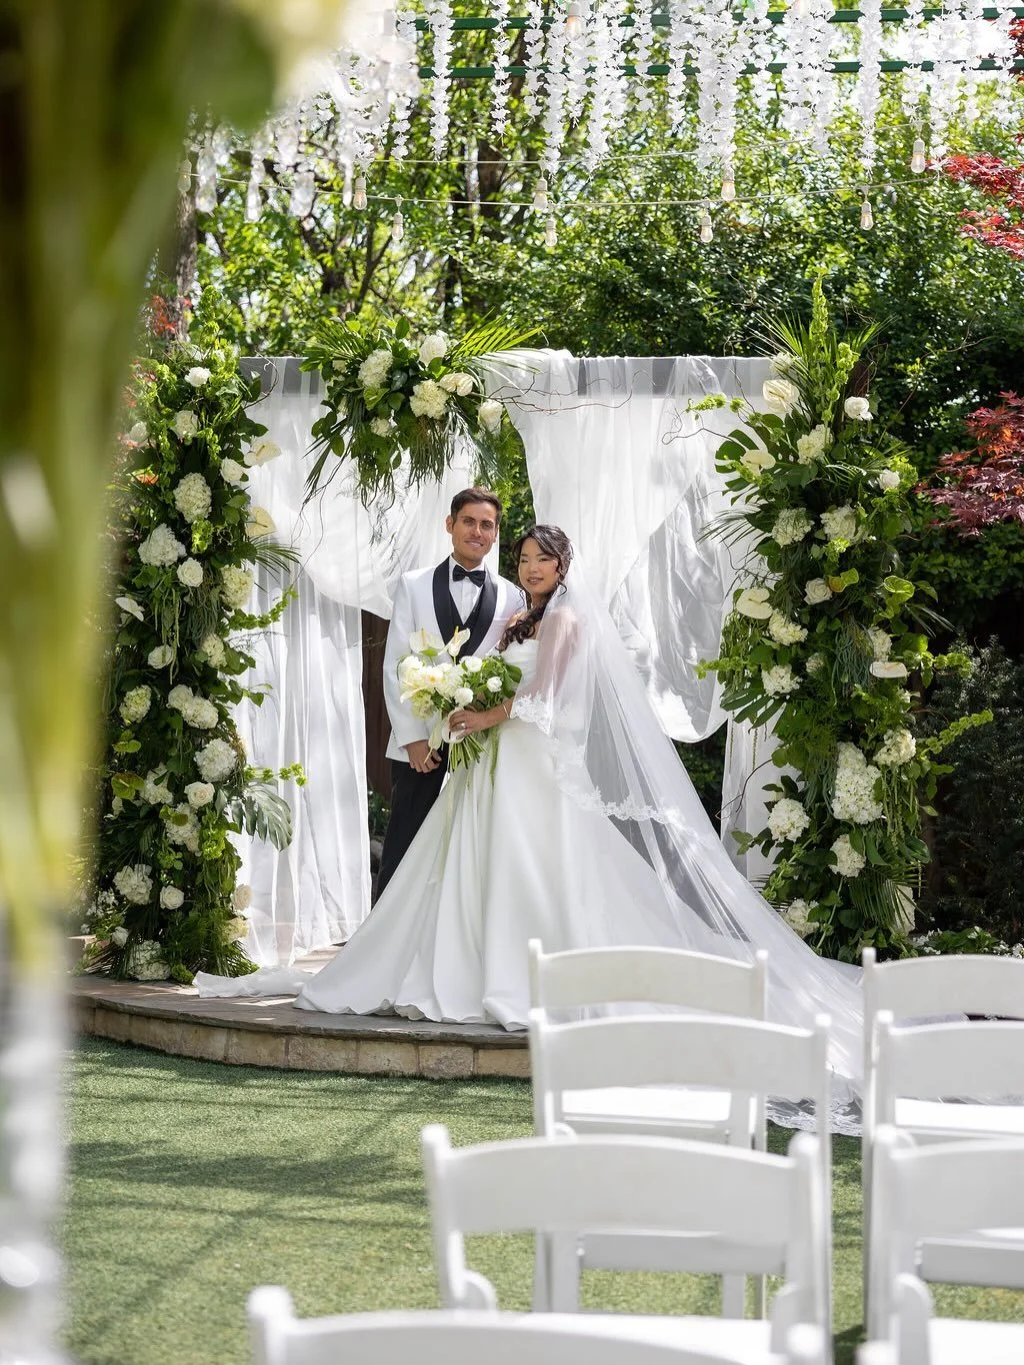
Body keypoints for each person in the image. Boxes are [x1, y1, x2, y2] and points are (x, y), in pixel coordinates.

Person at [198, 525, 864, 1125]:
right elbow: (494, 676)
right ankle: (454, 965)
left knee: (529, 866)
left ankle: (520, 973)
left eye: (541, 559)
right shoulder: (519, 616)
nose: (531, 567)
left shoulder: (566, 620)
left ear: (562, 566)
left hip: (531, 761)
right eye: (523, 559)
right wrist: (458, 696)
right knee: (469, 863)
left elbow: (547, 697)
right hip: (492, 763)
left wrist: (484, 714)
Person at [375, 486, 524, 896]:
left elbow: (510, 666)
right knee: (404, 842)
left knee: (471, 846)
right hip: (421, 742)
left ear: (495, 533)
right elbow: (395, 665)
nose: (477, 531)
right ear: (450, 525)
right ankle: (384, 929)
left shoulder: (512, 596)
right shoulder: (413, 584)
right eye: (469, 521)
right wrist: (412, 739)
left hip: (482, 742)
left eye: (486, 525)